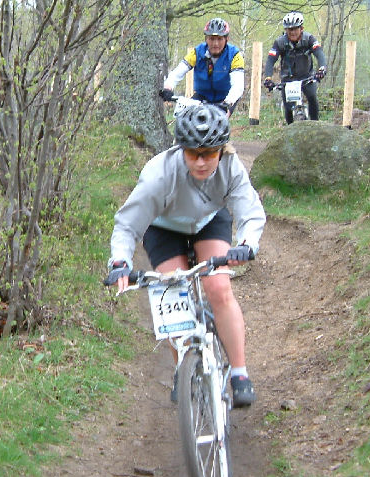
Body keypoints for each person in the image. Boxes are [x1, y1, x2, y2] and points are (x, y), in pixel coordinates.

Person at [105, 104, 265, 407]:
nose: (202, 162)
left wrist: (247, 243)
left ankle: (240, 374)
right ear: (181, 150)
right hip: (164, 228)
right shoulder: (159, 175)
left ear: (222, 149)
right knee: (170, 292)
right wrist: (120, 262)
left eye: (210, 153)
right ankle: (183, 366)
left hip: (208, 221)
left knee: (218, 286)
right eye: (193, 154)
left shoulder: (231, 167)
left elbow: (249, 211)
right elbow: (127, 225)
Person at [159, 18, 245, 117]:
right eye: (211, 39)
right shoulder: (197, 52)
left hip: (226, 97)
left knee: (219, 121)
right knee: (187, 119)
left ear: (226, 39)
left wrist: (228, 102)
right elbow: (178, 72)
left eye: (219, 39)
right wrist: (168, 87)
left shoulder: (235, 55)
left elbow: (238, 85)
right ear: (206, 39)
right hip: (202, 95)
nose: (215, 43)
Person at [263, 11, 327, 124]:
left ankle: (315, 126)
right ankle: (290, 130)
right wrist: (268, 77)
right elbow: (270, 60)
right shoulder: (280, 42)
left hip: (306, 76)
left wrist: (322, 68)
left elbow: (319, 53)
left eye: (295, 29)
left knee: (312, 98)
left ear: (301, 28)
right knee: (288, 108)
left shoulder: (309, 39)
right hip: (288, 78)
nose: (292, 32)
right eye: (289, 29)